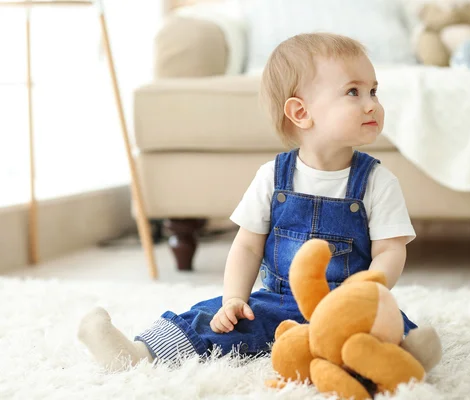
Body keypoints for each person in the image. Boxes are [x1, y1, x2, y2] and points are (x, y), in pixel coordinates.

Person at [78, 32, 441, 372]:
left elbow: (390, 251)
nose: (371, 105)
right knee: (213, 317)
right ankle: (137, 354)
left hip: (348, 307)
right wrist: (233, 298)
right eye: (353, 92)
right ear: (301, 113)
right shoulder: (272, 176)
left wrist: (367, 292)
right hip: (279, 301)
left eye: (374, 91)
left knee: (391, 321)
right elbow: (248, 247)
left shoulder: (377, 182)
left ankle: (405, 357)